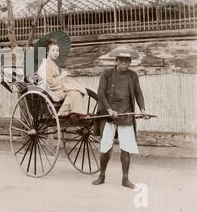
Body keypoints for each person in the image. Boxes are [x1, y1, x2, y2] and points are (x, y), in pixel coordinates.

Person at [92, 52, 148, 189]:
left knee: (126, 147)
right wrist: (109, 109)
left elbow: (138, 92)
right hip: (109, 114)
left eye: (127, 61)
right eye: (121, 61)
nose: (124, 64)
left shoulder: (133, 75)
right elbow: (100, 92)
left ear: (130, 62)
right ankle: (102, 175)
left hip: (126, 113)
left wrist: (143, 109)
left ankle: (125, 178)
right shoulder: (107, 73)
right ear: (116, 61)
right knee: (105, 146)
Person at [37, 39, 88, 118]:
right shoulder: (45, 64)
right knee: (74, 92)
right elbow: (50, 83)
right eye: (53, 50)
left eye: (57, 51)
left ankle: (76, 114)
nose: (56, 53)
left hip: (58, 88)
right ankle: (66, 114)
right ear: (47, 52)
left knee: (76, 91)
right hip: (52, 91)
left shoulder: (53, 63)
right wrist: (62, 77)